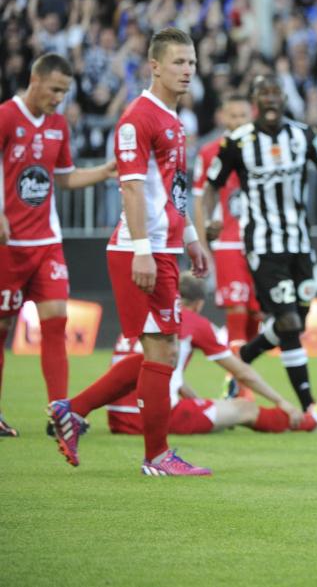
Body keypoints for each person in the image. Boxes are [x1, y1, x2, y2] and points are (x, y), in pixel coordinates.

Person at [47, 27, 213, 476]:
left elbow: (174, 193)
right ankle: (156, 457)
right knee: (161, 349)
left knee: (160, 350)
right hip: (141, 250)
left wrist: (193, 240)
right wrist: (142, 250)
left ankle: (74, 410)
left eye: (192, 63)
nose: (187, 71)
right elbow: (132, 190)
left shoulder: (174, 121)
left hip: (164, 249)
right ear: (154, 65)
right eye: (178, 62)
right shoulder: (137, 118)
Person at [201, 74, 317, 427]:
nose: (270, 99)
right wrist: (209, 218)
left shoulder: (303, 135)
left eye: (275, 93)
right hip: (263, 246)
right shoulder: (237, 142)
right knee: (286, 322)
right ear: (255, 100)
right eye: (263, 93)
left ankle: (242, 359)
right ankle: (311, 409)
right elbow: (211, 186)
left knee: (296, 320)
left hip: (300, 243)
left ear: (284, 98)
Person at [64, 273, 317, 436]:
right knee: (244, 408)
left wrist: (194, 400)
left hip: (119, 419)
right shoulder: (193, 322)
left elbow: (154, 369)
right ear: (198, 303)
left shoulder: (146, 315)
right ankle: (311, 421)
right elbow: (241, 370)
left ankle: (73, 409)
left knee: (168, 376)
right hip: (157, 418)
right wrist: (283, 402)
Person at [0, 53, 116, 437]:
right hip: (7, 244)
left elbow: (64, 178)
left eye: (64, 92)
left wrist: (105, 170)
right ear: (34, 81)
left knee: (56, 322)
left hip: (46, 242)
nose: (59, 98)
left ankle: (60, 413)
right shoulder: (6, 117)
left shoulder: (58, 125)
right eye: (54, 90)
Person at [192, 95, 263, 354]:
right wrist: (202, 245)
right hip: (228, 242)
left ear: (251, 116)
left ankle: (239, 372)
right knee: (237, 307)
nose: (237, 121)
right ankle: (240, 384)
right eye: (232, 116)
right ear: (222, 117)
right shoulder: (209, 152)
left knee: (257, 312)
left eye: (242, 116)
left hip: (261, 241)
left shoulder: (262, 148)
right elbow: (200, 201)